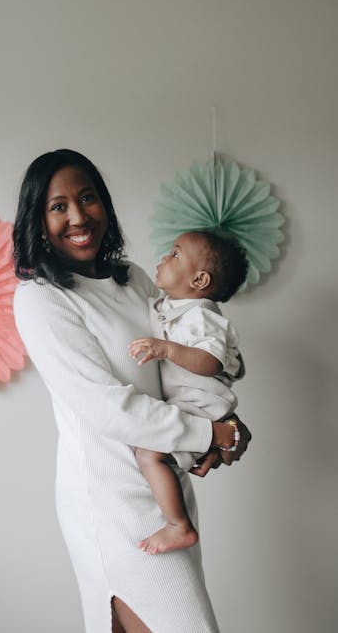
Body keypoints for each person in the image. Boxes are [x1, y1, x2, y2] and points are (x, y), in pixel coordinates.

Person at [12, 149, 251, 633]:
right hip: (112, 502)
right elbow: (108, 407)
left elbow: (184, 361)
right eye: (58, 206)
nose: (78, 216)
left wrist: (224, 421)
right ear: (37, 219)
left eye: (88, 198)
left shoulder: (135, 278)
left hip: (167, 491)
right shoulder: (41, 297)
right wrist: (207, 432)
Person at [129, 231, 248, 555]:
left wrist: (168, 349)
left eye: (175, 254)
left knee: (148, 454)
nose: (164, 258)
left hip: (200, 401)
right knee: (153, 455)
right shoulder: (171, 305)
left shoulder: (201, 317)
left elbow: (210, 362)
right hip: (188, 399)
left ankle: (178, 525)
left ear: (199, 279)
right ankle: (176, 521)